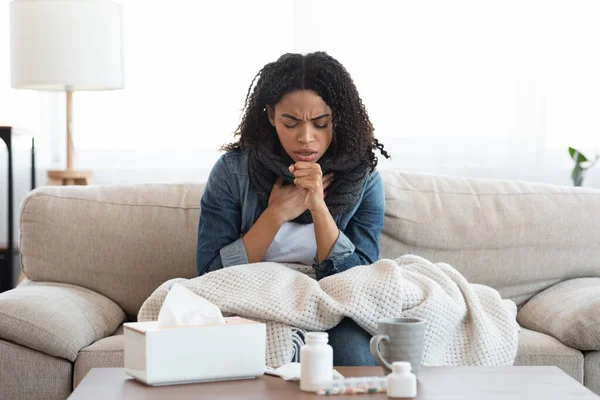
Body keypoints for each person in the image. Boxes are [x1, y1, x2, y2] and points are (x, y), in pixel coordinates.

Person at [196, 51, 390, 365]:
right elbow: (208, 274)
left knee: (357, 358)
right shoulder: (233, 173)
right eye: (291, 122)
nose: (305, 137)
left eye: (320, 123)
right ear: (271, 115)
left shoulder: (363, 179)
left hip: (331, 306)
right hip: (253, 302)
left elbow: (361, 282)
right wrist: (276, 214)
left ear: (337, 118)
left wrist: (318, 208)